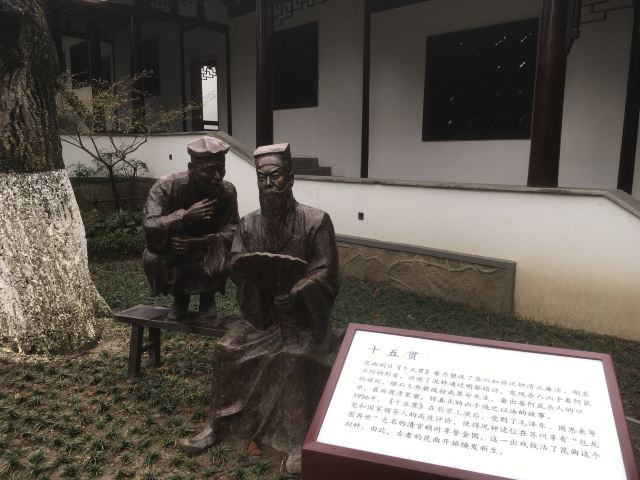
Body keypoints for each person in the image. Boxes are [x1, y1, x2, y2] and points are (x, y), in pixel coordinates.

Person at [179, 143, 340, 473]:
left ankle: (295, 441)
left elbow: (326, 271)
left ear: (290, 179)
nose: (268, 184)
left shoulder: (316, 221)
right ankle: (218, 424)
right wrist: (258, 284)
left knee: (294, 358)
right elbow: (239, 265)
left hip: (302, 320)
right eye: (262, 178)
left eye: (276, 176)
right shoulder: (248, 225)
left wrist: (298, 290)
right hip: (262, 318)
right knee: (226, 347)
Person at [142, 136, 239, 322]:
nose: (217, 177)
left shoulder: (227, 191)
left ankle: (207, 301)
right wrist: (184, 216)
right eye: (209, 170)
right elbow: (150, 224)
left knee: (225, 251)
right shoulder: (166, 186)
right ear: (191, 168)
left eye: (221, 169)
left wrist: (201, 242)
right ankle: (180, 300)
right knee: (153, 257)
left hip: (206, 248)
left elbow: (233, 228)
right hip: (174, 250)